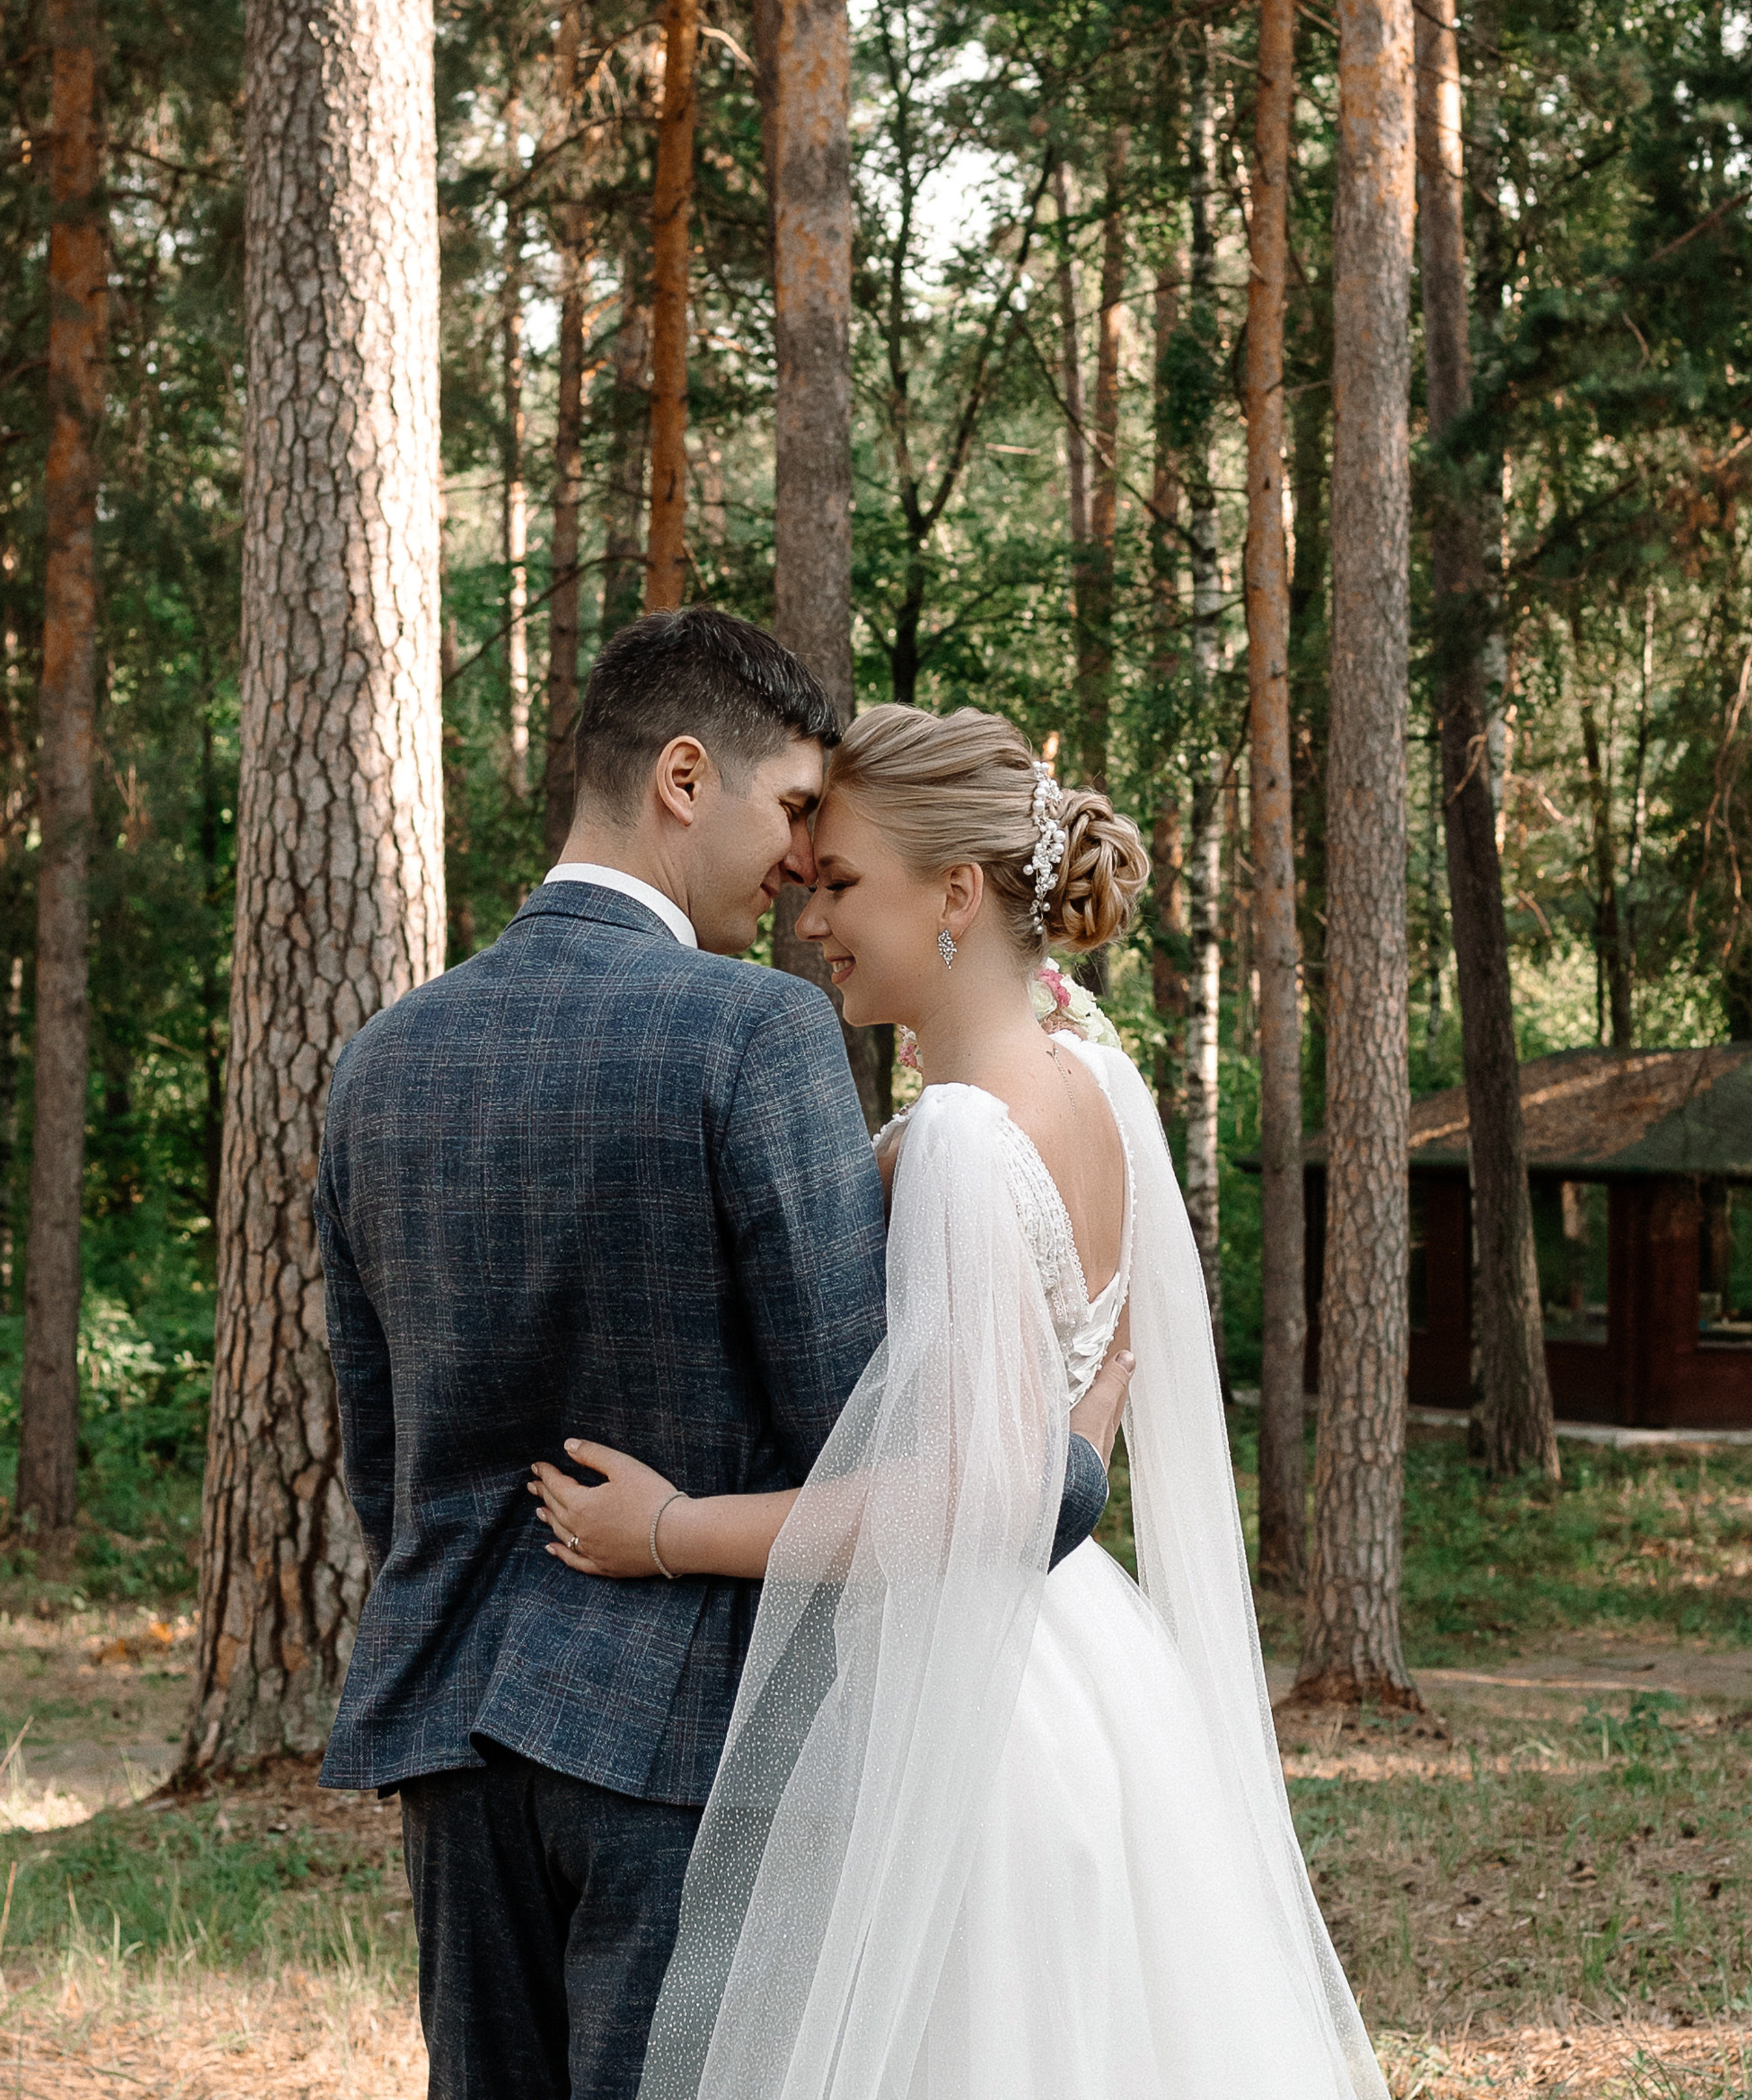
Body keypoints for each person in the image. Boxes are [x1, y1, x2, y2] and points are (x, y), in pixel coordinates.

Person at [315, 612, 1122, 2100]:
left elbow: (383, 1457)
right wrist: (1068, 1460)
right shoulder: (751, 1035)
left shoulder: (379, 1060)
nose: (799, 868)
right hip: (686, 1743)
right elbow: (864, 1429)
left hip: (445, 1732)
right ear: (686, 777)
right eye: (792, 810)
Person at [532, 703, 1391, 2100]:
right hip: (1093, 1669)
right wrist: (1075, 1440)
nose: (813, 923)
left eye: (844, 886)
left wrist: (668, 1528)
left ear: (954, 893)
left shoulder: (960, 1133)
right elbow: (1069, 1402)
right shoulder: (1098, 1085)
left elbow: (960, 1495)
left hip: (973, 1707)